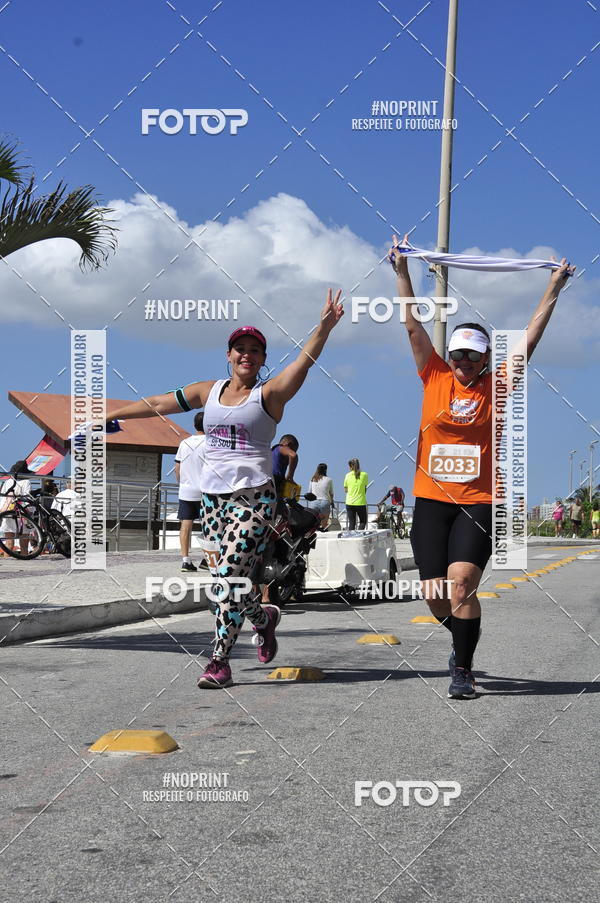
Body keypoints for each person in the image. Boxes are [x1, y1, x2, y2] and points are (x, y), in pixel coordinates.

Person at [106, 290, 344, 689]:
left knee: (228, 578)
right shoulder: (208, 391)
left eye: (255, 349)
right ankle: (263, 618)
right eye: (240, 348)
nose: (247, 354)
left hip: (254, 502)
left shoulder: (267, 396)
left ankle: (219, 661)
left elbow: (304, 363)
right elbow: (159, 403)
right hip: (212, 505)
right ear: (229, 355)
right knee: (226, 583)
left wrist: (323, 327)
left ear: (263, 359)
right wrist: (113, 415)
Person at [390, 232, 574, 699]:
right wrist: (401, 271)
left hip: (481, 501)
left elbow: (530, 338)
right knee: (435, 594)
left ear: (486, 357)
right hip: (432, 501)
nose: (464, 361)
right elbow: (412, 326)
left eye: (473, 354)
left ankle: (463, 670)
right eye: (458, 354)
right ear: (447, 356)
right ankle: (460, 643)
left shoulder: (498, 384)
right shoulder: (433, 375)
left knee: (462, 582)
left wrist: (553, 287)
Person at [174, 411, 206, 572]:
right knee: (209, 526)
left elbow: (177, 467)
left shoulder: (184, 443)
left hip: (186, 491)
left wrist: (181, 483)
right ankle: (208, 559)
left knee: (185, 526)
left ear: (194, 425)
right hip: (206, 491)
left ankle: (186, 560)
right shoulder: (211, 443)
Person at [0, 460, 33, 556]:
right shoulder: (26, 482)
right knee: (24, 545)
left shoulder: (8, 481)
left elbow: (3, 498)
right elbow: (26, 497)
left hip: (8, 512)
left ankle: (7, 565)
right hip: (21, 514)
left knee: (9, 544)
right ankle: (24, 562)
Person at [344, 459, 368, 530]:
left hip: (349, 502)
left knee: (352, 522)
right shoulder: (364, 475)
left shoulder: (347, 475)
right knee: (363, 521)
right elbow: (365, 489)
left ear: (350, 466)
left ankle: (351, 539)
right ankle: (359, 537)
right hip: (360, 502)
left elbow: (346, 490)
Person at [308, 463, 334, 527]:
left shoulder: (313, 479)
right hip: (325, 502)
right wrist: (331, 501)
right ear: (325, 470)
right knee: (324, 524)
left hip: (314, 502)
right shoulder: (329, 479)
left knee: (313, 523)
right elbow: (331, 493)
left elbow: (309, 492)